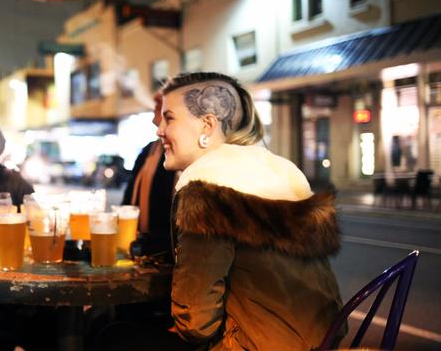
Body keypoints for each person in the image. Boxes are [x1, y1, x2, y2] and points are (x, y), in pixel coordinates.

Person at [99, 72, 344, 351]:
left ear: (207, 125)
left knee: (114, 336)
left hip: (254, 345)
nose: (159, 130)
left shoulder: (207, 188)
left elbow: (196, 325)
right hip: (322, 340)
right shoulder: (279, 167)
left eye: (169, 118)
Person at [121, 91, 176, 260]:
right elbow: (129, 202)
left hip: (177, 257)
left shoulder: (198, 159)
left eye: (166, 97)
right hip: (146, 254)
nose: (155, 100)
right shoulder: (150, 151)